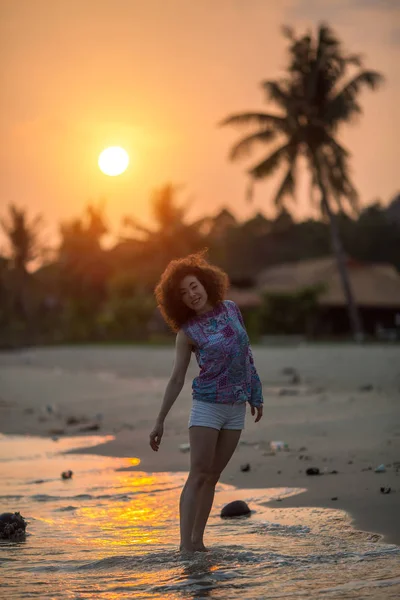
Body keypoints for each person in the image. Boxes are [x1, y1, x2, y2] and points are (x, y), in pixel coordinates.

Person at [149, 251, 263, 553]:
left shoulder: (231, 309)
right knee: (198, 474)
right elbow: (176, 378)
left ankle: (199, 541)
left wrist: (255, 392)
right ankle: (185, 546)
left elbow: (245, 353)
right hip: (207, 407)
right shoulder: (187, 333)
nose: (192, 295)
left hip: (235, 406)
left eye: (194, 287)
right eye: (184, 294)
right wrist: (159, 420)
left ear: (205, 283)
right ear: (179, 302)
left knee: (213, 476)